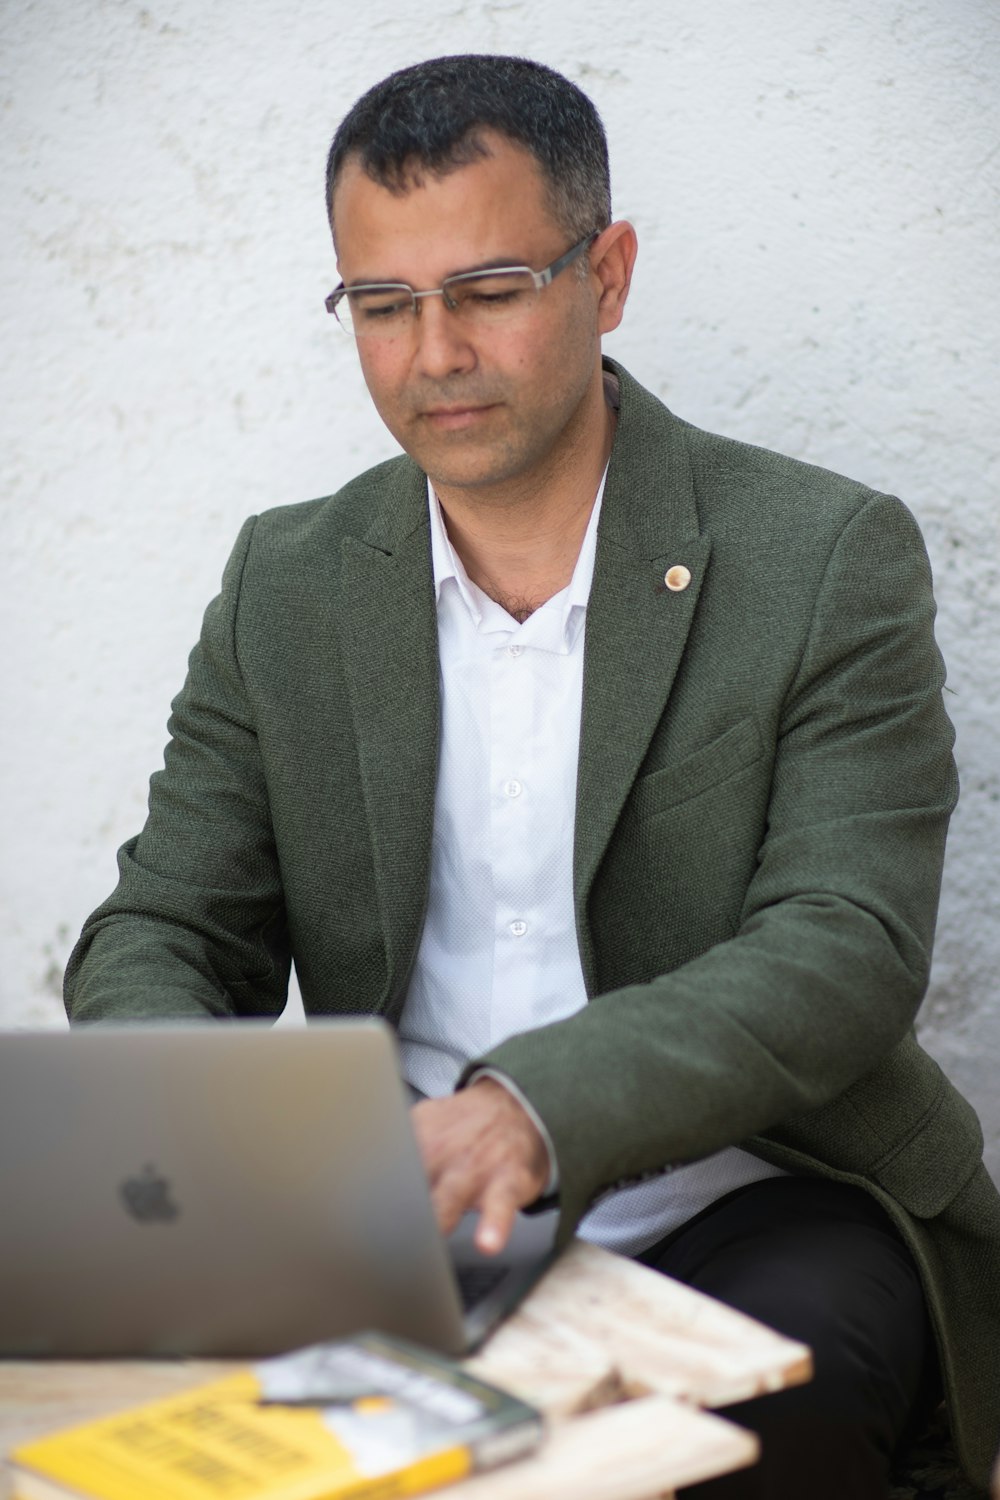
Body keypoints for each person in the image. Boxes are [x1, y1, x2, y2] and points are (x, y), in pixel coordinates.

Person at [65, 54, 1000, 1498]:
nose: (433, 352)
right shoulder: (290, 584)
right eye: (383, 305)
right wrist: (213, 1151)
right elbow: (164, 930)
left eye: (489, 290)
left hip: (754, 1194)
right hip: (385, 1224)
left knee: (749, 1434)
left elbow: (845, 948)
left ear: (606, 273)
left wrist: (529, 1108)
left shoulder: (821, 557)